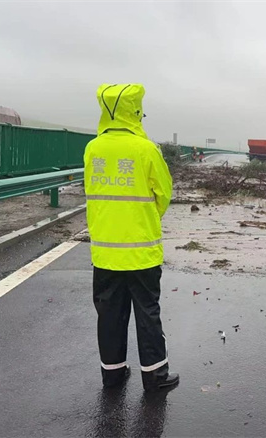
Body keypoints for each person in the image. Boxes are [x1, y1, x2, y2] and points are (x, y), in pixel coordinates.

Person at [84, 83, 178, 391]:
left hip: (105, 253)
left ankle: (112, 373)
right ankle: (154, 376)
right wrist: (145, 219)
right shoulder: (146, 149)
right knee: (147, 313)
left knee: (109, 314)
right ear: (134, 112)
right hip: (141, 251)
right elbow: (163, 194)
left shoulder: (93, 148)